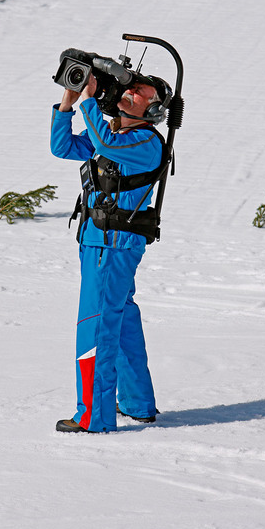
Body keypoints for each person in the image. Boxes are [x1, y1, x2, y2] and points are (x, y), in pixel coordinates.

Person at [51, 72, 167, 433]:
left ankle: (93, 417)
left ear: (154, 108)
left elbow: (103, 142)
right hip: (98, 240)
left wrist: (89, 101)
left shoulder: (146, 142)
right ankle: (137, 404)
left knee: (96, 324)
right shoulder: (114, 132)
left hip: (113, 245)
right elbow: (64, 148)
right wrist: (67, 106)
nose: (129, 92)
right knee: (121, 319)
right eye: (129, 86)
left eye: (139, 91)